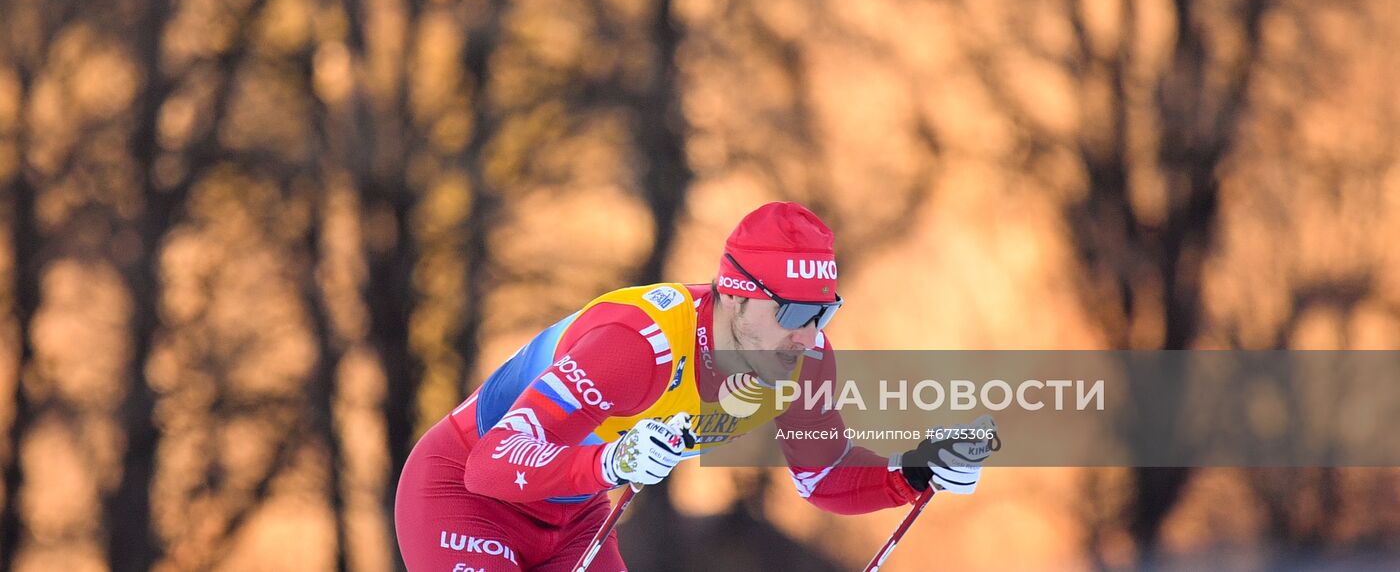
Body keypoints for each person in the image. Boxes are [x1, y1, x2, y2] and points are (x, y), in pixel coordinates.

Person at [394, 202, 993, 571]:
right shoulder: (638, 345)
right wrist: (615, 459)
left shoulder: (803, 364)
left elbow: (824, 476)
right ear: (735, 297)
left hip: (571, 519)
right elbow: (491, 466)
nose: (809, 339)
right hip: (465, 498)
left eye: (823, 314)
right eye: (791, 315)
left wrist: (913, 470)